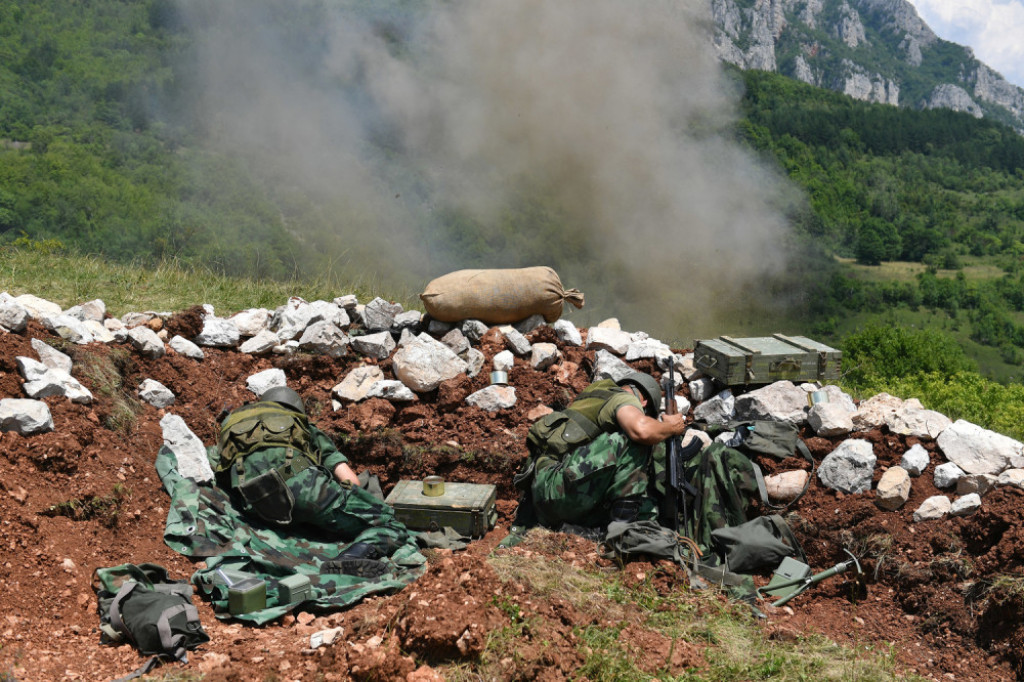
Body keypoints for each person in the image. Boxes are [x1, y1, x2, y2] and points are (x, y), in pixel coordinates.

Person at [211, 386, 411, 575]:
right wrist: (347, 499)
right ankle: (348, 559)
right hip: (301, 487)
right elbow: (350, 479)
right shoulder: (304, 426)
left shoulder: (233, 427)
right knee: (390, 522)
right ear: (296, 409)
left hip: (252, 501)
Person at [527, 371, 688, 530]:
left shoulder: (594, 396)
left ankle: (589, 531)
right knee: (635, 442)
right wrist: (671, 427)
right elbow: (641, 431)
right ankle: (623, 533)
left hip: (545, 496)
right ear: (644, 402)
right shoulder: (624, 399)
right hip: (558, 489)